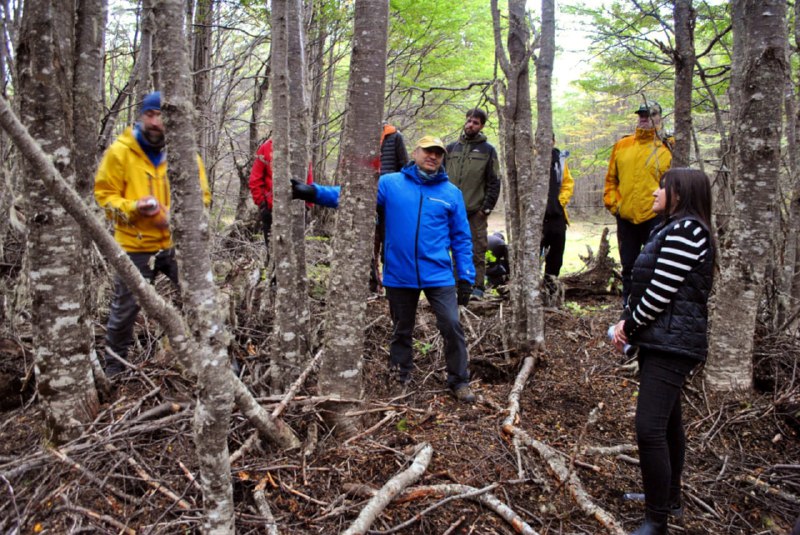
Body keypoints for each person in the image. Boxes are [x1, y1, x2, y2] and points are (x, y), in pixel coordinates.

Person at [611, 168, 715, 535]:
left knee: (649, 428)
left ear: (680, 194)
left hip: (673, 342)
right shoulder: (672, 228)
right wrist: (633, 321)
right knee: (669, 423)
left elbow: (660, 292)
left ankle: (656, 521)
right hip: (665, 338)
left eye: (663, 187)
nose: (655, 192)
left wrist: (630, 326)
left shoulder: (687, 231)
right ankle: (668, 498)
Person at [94, 91, 211, 377]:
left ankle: (217, 363)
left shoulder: (185, 153)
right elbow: (104, 198)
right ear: (141, 116)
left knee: (203, 302)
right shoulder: (120, 152)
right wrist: (135, 208)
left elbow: (203, 197)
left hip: (176, 246)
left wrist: (177, 217)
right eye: (151, 115)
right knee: (124, 312)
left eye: (162, 116)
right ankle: (114, 371)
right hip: (134, 247)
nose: (157, 122)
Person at [377, 135, 476, 403]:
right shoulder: (390, 183)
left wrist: (466, 276)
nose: (432, 157)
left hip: (438, 274)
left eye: (438, 153)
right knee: (401, 328)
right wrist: (313, 192)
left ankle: (459, 381)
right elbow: (352, 196)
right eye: (427, 151)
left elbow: (462, 238)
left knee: (452, 325)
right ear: (416, 152)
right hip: (399, 274)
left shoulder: (451, 193)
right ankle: (400, 377)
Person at [604, 100, 672, 306]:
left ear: (659, 117)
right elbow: (610, 180)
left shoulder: (668, 146)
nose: (645, 119)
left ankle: (652, 308)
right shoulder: (623, 145)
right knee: (629, 266)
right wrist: (615, 206)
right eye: (642, 115)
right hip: (626, 218)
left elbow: (676, 183)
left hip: (656, 218)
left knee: (655, 266)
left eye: (650, 114)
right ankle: (628, 307)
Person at [446, 108, 501, 299]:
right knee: (451, 248)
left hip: (475, 211)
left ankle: (477, 287)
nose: (471, 125)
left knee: (477, 249)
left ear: (482, 126)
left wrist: (485, 209)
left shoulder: (488, 150)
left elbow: (494, 181)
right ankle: (453, 287)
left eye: (476, 122)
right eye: (469, 121)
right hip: (450, 211)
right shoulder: (451, 148)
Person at [248, 138, 314, 248]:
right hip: (271, 208)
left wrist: (308, 205)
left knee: (295, 250)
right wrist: (261, 203)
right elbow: (255, 178)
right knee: (272, 249)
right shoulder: (266, 147)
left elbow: (309, 178)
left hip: (298, 210)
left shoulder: (302, 148)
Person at [541, 136, 575, 291]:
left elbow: (568, 183)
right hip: (538, 217)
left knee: (556, 255)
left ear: (553, 141)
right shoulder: (531, 159)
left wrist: (560, 202)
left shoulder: (560, 160)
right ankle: (533, 290)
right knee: (534, 255)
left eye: (549, 138)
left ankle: (550, 288)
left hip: (557, 215)